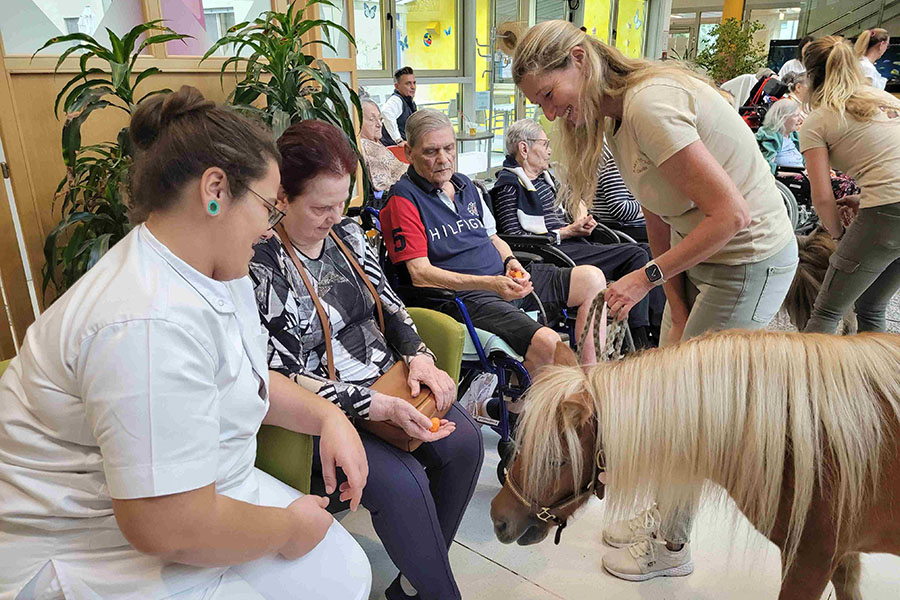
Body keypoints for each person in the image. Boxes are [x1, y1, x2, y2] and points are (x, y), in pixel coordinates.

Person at [0, 87, 371, 600]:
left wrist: (329, 418)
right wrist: (285, 530)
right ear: (214, 189)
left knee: (346, 572)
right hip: (92, 548)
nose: (271, 226)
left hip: (196, 495)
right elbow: (165, 527)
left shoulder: (218, 270)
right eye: (267, 205)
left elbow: (246, 380)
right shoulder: (145, 321)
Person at [514, 19, 797, 582]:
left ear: (579, 59)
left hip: (746, 261)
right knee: (673, 399)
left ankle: (671, 544)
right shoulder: (617, 117)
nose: (548, 115)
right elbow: (657, 210)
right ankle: (667, 519)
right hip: (703, 263)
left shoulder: (650, 105)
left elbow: (733, 216)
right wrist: (672, 293)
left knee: (690, 415)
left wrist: (644, 279)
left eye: (549, 96)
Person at [249, 119, 484, 600]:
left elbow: (390, 304)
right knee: (404, 484)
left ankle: (415, 583)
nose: (335, 216)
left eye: (341, 203)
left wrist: (419, 356)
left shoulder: (348, 235)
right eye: (320, 207)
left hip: (389, 378)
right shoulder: (261, 263)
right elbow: (284, 375)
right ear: (281, 198)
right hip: (325, 408)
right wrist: (375, 406)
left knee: (465, 447)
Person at [381, 109, 607, 379]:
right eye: (431, 152)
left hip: (501, 280)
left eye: (449, 148)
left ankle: (592, 378)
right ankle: (515, 408)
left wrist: (512, 263)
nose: (443, 159)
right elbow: (420, 275)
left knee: (592, 279)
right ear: (408, 152)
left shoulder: (466, 185)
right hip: (465, 297)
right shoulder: (403, 200)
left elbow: (493, 238)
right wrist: (491, 284)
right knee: (549, 344)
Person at [491, 119, 661, 347]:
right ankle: (642, 336)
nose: (550, 150)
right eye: (545, 144)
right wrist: (566, 232)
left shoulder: (544, 180)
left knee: (647, 251)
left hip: (571, 244)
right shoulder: (508, 185)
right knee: (637, 255)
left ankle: (653, 328)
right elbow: (515, 237)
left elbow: (572, 205)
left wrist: (582, 222)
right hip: (553, 253)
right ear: (524, 148)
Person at [800, 36, 900, 334]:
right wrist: (863, 196)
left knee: (826, 311)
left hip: (887, 212)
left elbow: (822, 197)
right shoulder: (885, 101)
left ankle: (811, 381)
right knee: (871, 306)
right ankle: (877, 379)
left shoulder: (818, 120)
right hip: (887, 203)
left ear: (811, 76)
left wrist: (839, 236)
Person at [592, 144, 649, 242]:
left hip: (627, 227)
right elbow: (620, 209)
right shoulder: (615, 161)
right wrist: (651, 204)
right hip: (623, 230)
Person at [361, 99, 408, 195]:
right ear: (357, 122)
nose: (379, 124)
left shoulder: (375, 143)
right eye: (372, 119)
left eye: (380, 119)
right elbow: (382, 185)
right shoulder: (365, 145)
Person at [756, 98, 805, 173]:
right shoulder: (770, 137)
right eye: (796, 116)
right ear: (782, 118)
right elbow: (768, 170)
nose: (800, 120)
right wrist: (794, 174)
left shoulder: (794, 136)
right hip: (783, 182)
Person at [382, 66, 418, 146]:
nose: (413, 87)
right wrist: (398, 140)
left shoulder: (409, 102)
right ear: (397, 86)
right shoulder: (396, 100)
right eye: (408, 83)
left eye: (414, 83)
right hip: (393, 151)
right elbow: (386, 113)